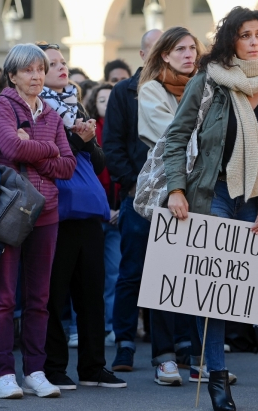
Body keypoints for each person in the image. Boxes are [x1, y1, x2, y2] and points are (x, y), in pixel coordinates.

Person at [164, 6, 258, 411]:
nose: (254, 41)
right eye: (245, 35)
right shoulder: (209, 82)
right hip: (214, 194)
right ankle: (218, 381)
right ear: (231, 40)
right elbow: (177, 138)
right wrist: (176, 188)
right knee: (214, 292)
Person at [0, 43, 76, 398]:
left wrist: (37, 148)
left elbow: (66, 167)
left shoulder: (51, 114)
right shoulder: (1, 105)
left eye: (40, 69)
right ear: (12, 76)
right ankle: (2, 374)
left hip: (46, 212)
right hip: (8, 210)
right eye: (28, 70)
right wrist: (49, 148)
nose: (37, 76)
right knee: (4, 296)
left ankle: (34, 371)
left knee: (39, 297)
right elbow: (11, 148)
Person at [35, 42, 126, 390]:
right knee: (55, 296)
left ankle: (93, 366)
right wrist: (76, 140)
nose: (61, 68)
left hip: (88, 214)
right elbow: (45, 155)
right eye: (51, 63)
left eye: (62, 62)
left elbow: (100, 164)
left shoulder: (76, 103)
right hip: (54, 212)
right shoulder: (37, 108)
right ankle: (55, 367)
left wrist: (87, 142)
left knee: (91, 294)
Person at [137, 26, 220, 386]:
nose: (189, 54)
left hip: (206, 191)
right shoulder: (152, 90)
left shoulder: (208, 86)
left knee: (200, 277)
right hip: (170, 192)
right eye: (180, 49)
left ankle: (201, 360)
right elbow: (175, 135)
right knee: (165, 277)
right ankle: (165, 358)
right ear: (164, 55)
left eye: (193, 48)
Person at [104, 28, 163, 372]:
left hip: (174, 200)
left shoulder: (184, 89)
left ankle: (174, 347)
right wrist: (133, 185)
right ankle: (124, 344)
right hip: (136, 198)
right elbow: (112, 145)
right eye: (157, 49)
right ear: (142, 55)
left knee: (170, 276)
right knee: (131, 274)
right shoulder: (124, 92)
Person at [85, 83, 121, 346]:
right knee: (89, 276)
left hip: (119, 212)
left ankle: (111, 326)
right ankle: (85, 327)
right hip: (94, 214)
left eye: (111, 99)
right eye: (101, 99)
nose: (106, 104)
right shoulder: (88, 132)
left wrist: (119, 209)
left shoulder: (122, 129)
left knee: (114, 274)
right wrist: (103, 209)